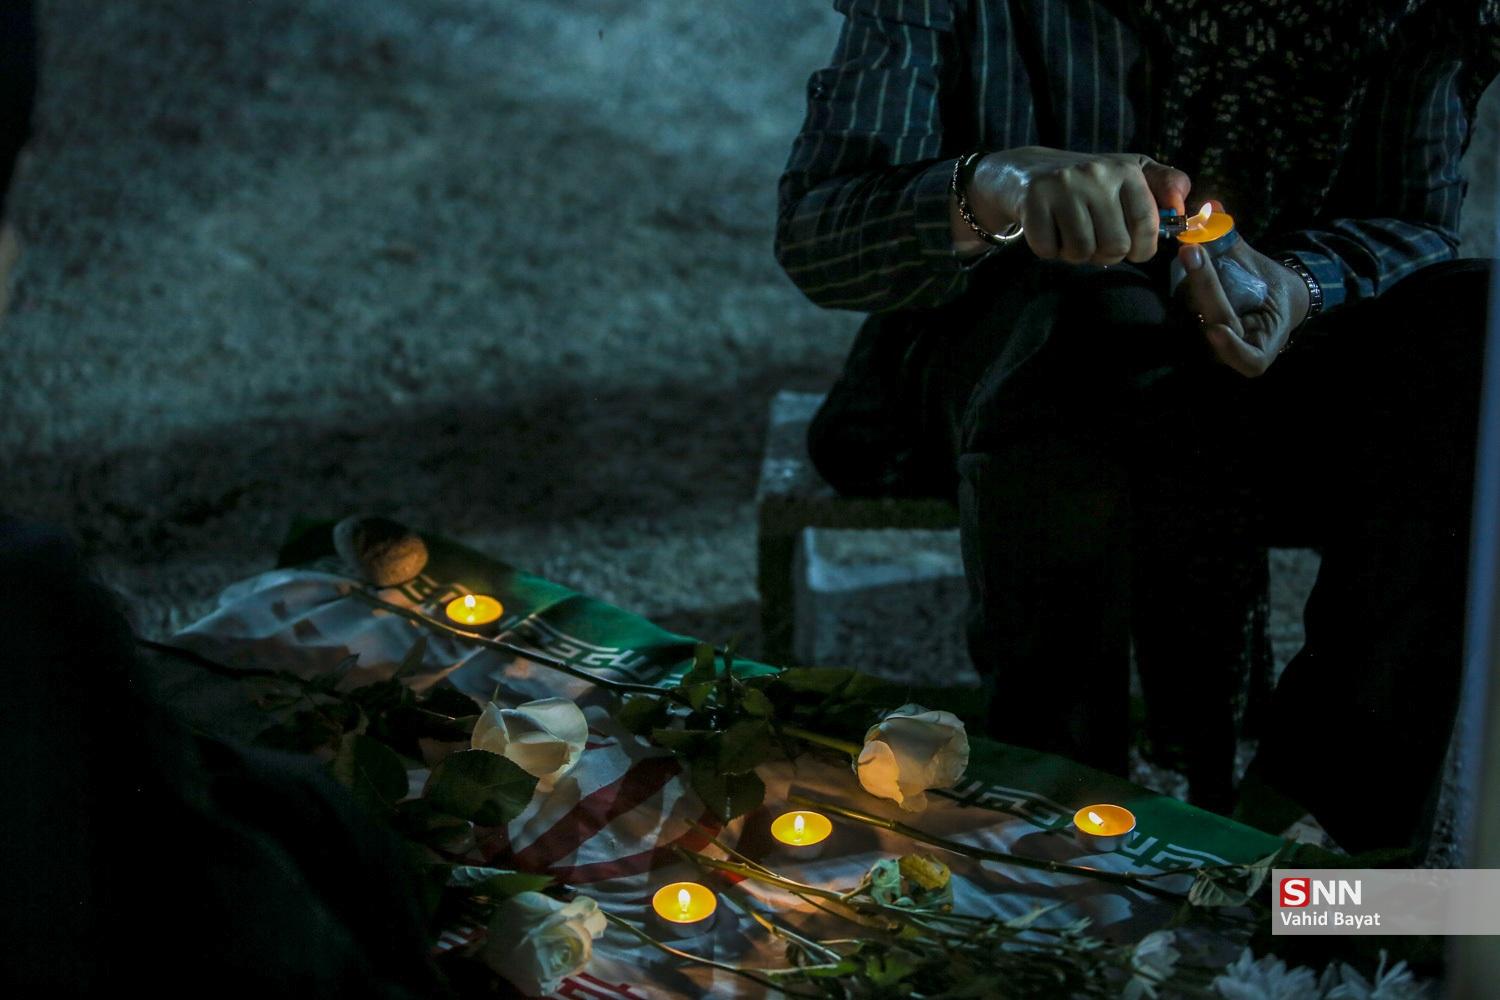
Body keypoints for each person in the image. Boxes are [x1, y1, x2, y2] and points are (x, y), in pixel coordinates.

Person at [775, 0, 1498, 856]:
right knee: (1102, 319)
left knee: (1482, 327)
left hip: (1274, 374)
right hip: (1022, 370)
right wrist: (994, 189)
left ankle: (1326, 821)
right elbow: (820, 228)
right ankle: (1066, 808)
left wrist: (1297, 283)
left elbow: (1414, 222)